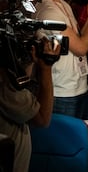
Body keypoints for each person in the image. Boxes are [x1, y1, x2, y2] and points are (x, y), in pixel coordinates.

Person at [0, 37, 61, 172]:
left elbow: (24, 84)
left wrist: (30, 63)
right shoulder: (4, 82)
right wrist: (46, 68)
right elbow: (42, 119)